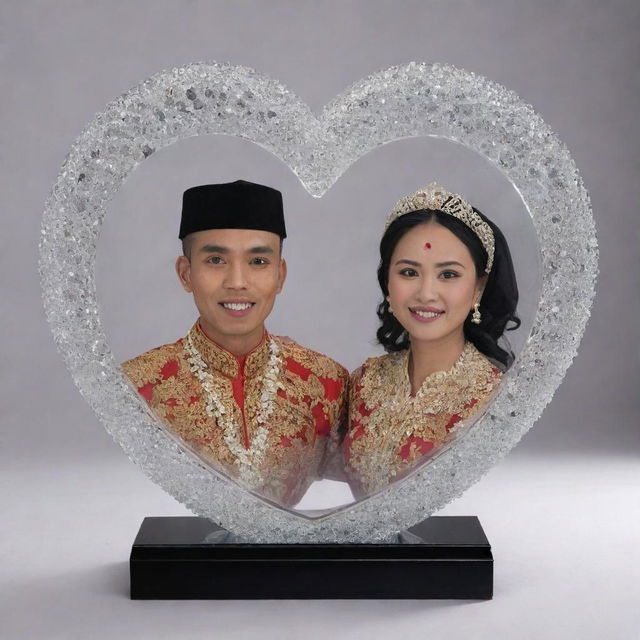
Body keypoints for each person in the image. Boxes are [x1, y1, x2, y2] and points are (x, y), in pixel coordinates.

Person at [122, 180, 348, 508]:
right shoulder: (137, 385)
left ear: (280, 275)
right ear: (186, 274)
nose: (237, 282)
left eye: (258, 262)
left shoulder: (327, 384)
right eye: (216, 260)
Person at [343, 183, 520, 497]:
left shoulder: (496, 399)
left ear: (478, 287)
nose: (425, 293)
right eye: (409, 272)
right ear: (387, 282)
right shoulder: (363, 382)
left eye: (448, 275)